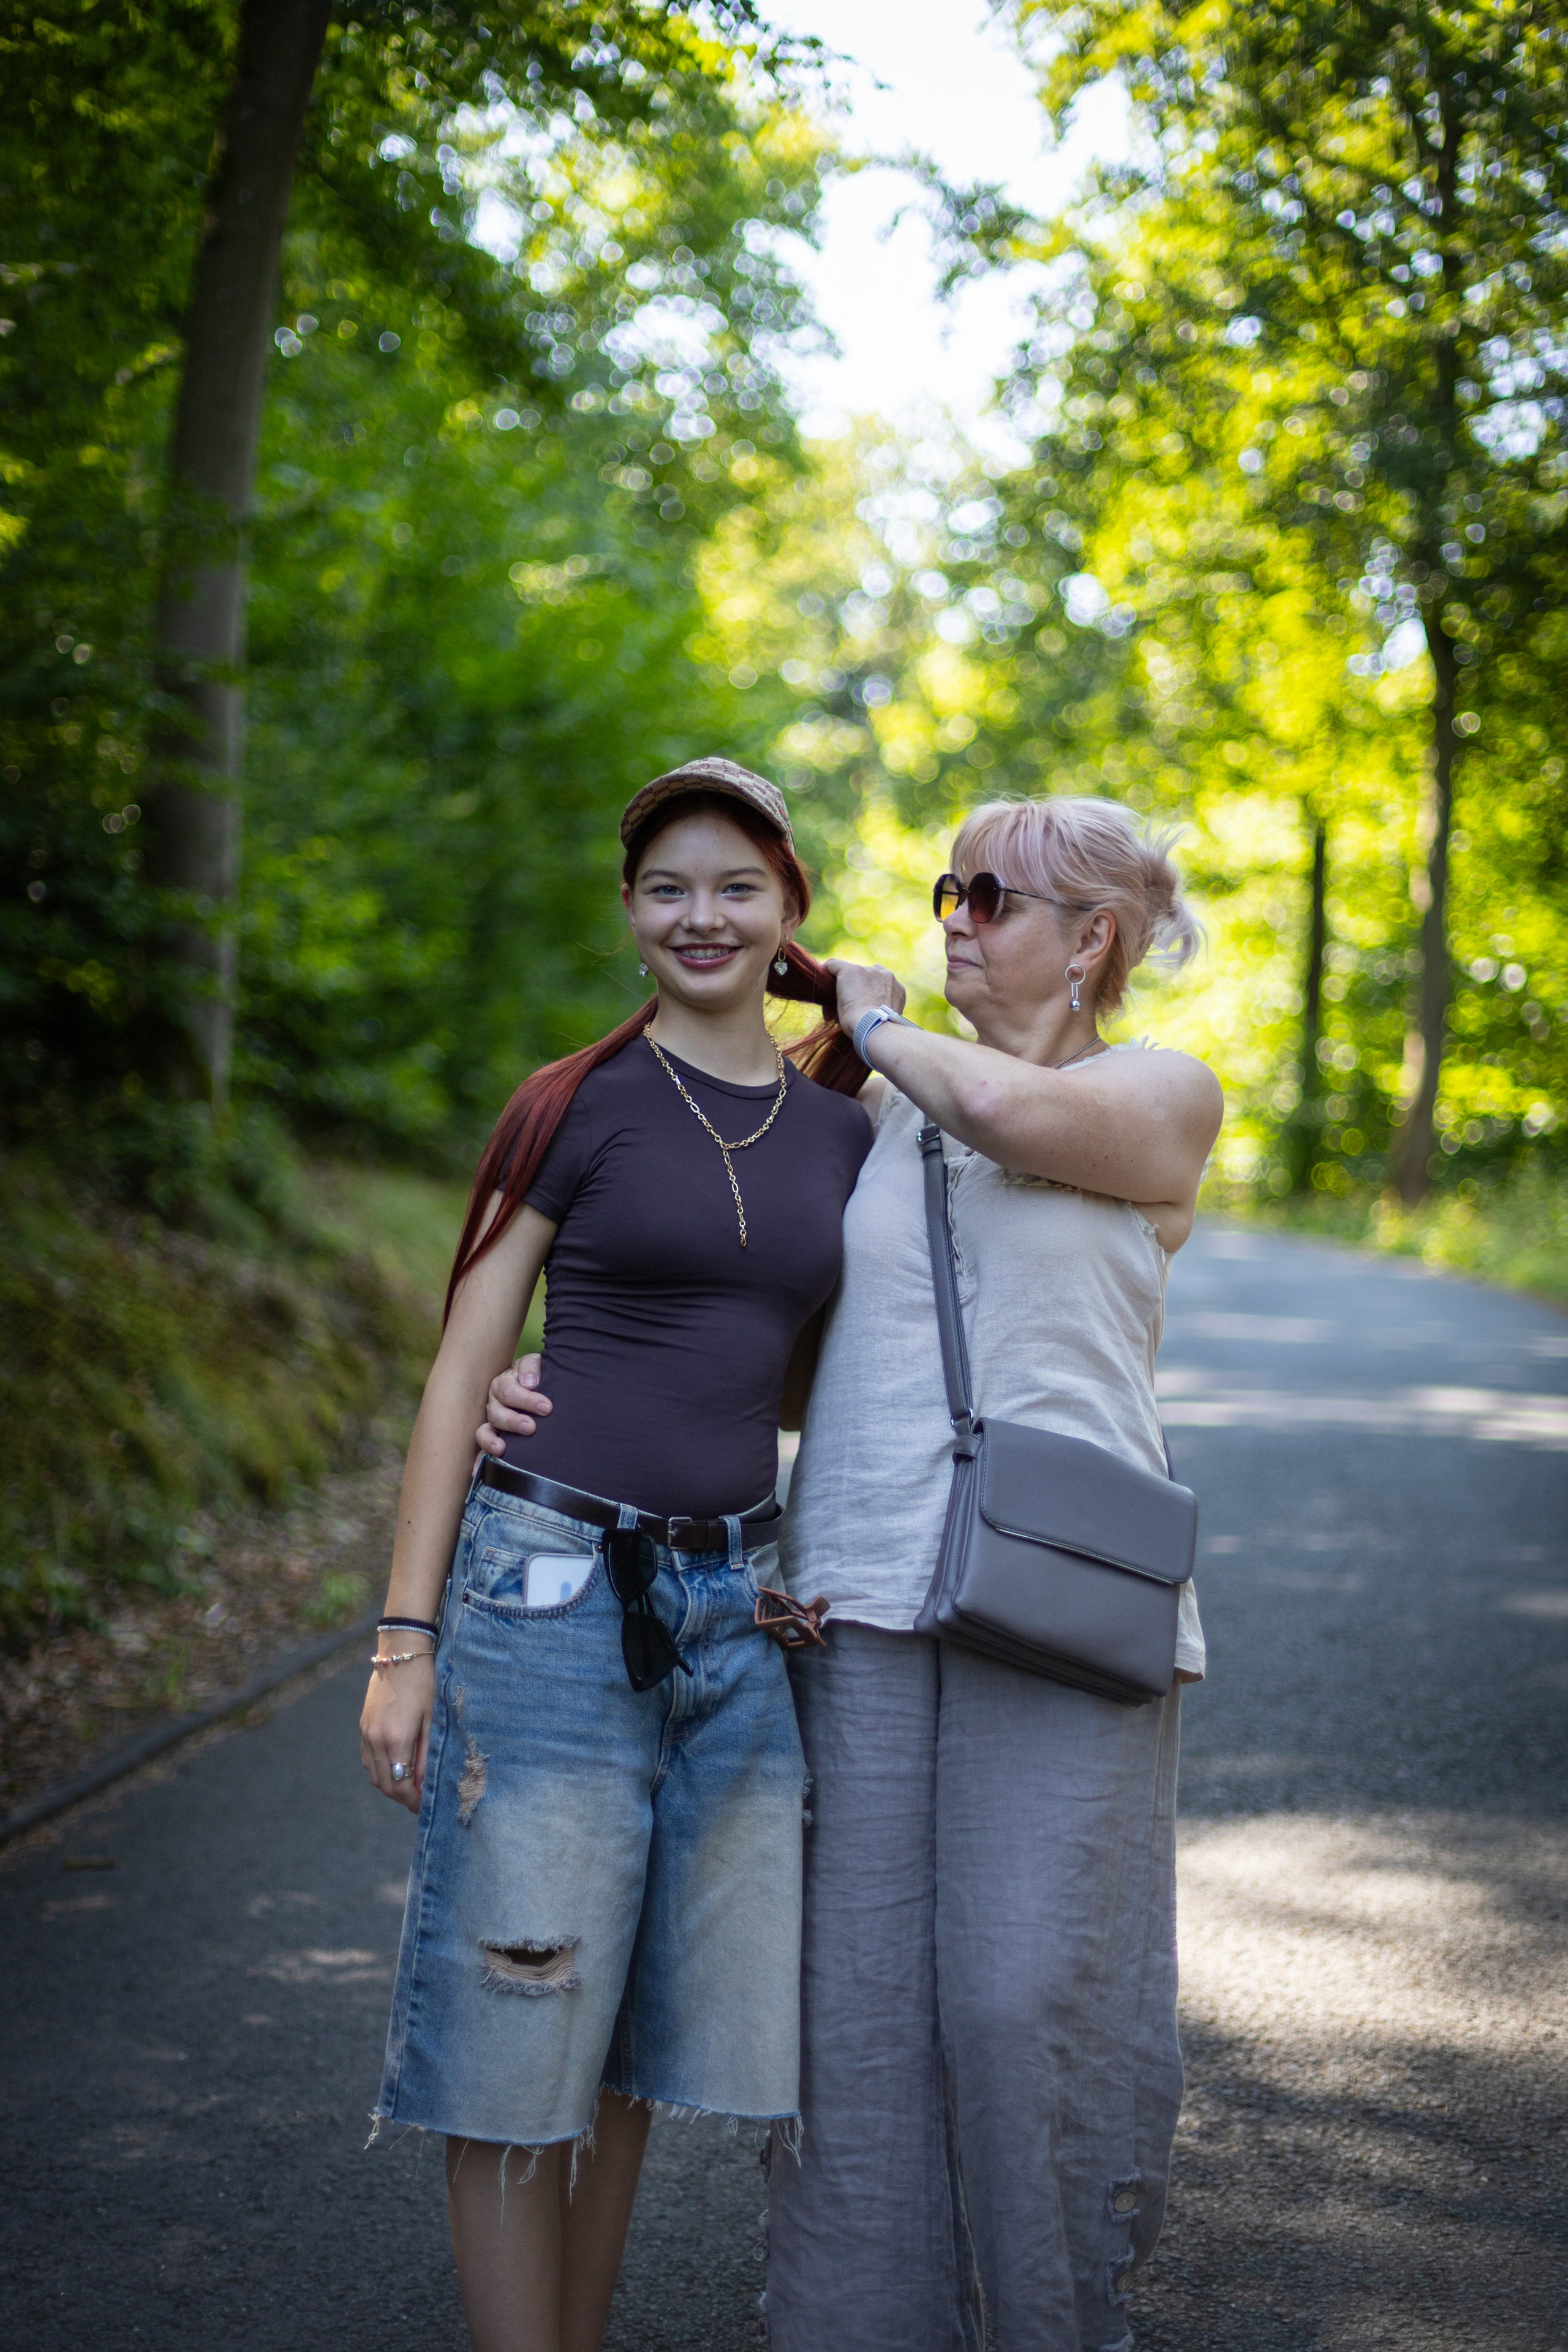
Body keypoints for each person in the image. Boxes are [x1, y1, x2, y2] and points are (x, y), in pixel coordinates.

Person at [484, 794, 1223, 2352]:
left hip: (1063, 1588)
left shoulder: (1154, 1093)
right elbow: (770, 1341)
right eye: (947, 890)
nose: (953, 917)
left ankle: (1049, 2323)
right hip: (852, 1592)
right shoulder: (871, 1113)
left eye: (990, 897)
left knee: (1017, 2001)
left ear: (1089, 938)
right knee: (854, 2018)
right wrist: (563, 1386)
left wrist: (872, 1023)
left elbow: (1008, 1115)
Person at [360, 758, 872, 2352]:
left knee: (641, 2037)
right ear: (630, 910)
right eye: (665, 888)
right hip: (551, 1590)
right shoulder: (575, 1101)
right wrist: (403, 1639)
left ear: (787, 909)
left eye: (735, 886)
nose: (698, 915)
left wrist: (879, 1019)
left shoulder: (843, 1128)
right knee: (519, 2016)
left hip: (733, 1609)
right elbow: (461, 1369)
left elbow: (803, 1379)